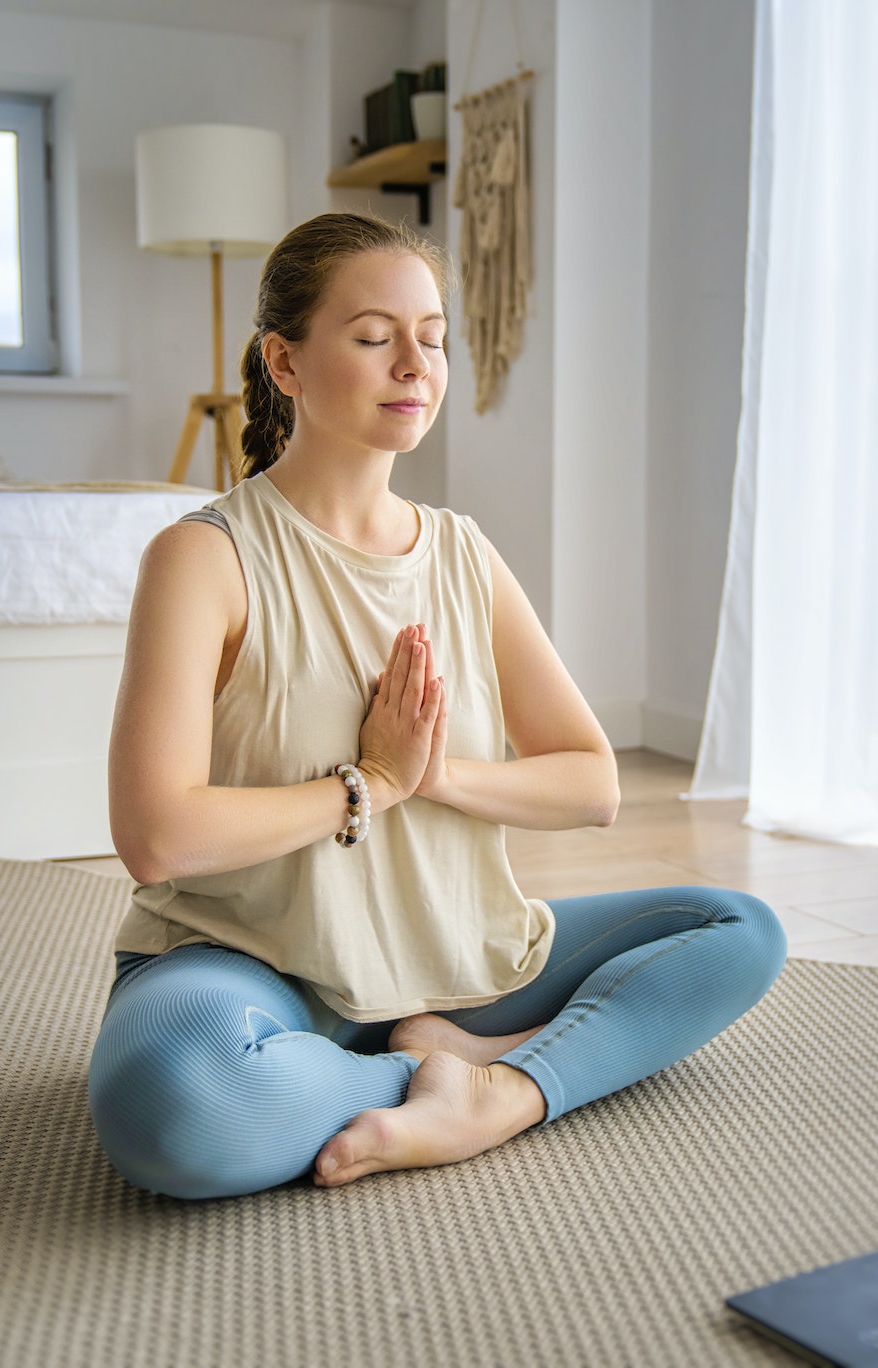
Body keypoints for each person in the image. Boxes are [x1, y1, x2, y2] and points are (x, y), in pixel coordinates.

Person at [87, 211, 787, 1200]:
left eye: (433, 337)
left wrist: (433, 773)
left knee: (737, 932)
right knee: (176, 1112)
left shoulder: (463, 554)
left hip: (460, 957)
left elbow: (590, 784)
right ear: (282, 363)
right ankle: (438, 1073)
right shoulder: (203, 558)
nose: (414, 364)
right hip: (254, 967)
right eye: (374, 338)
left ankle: (498, 1090)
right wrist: (369, 781)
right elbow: (157, 837)